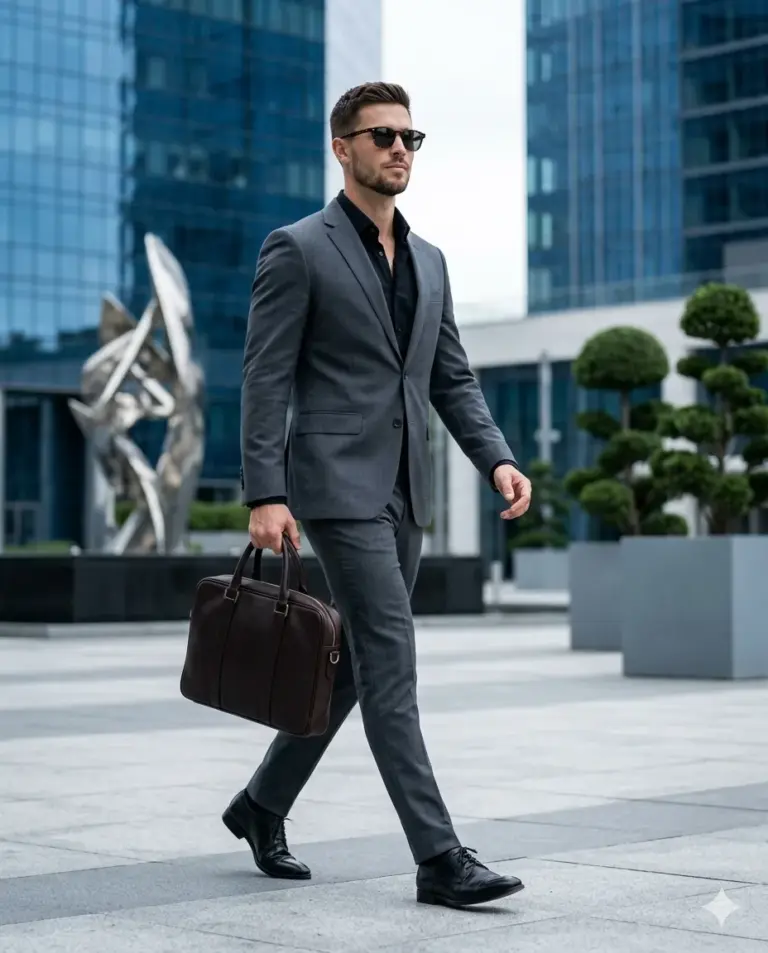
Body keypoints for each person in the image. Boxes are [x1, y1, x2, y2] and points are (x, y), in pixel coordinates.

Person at [227, 82, 532, 909]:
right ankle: (439, 857)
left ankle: (260, 804)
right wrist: (266, 488)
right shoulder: (297, 247)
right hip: (334, 486)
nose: (400, 149)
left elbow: (451, 376)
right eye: (383, 135)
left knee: (356, 668)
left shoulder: (429, 260)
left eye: (411, 137)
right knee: (392, 657)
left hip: (408, 490)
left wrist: (495, 458)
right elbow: (264, 375)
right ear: (343, 148)